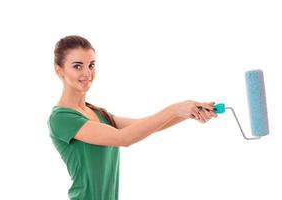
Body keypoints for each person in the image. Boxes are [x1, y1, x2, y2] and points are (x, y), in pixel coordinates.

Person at [47, 35, 217, 200]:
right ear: (59, 70)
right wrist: (175, 109)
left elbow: (146, 125)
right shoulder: (62, 118)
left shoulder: (97, 113)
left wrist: (189, 111)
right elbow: (123, 138)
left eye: (91, 65)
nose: (87, 73)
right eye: (77, 66)